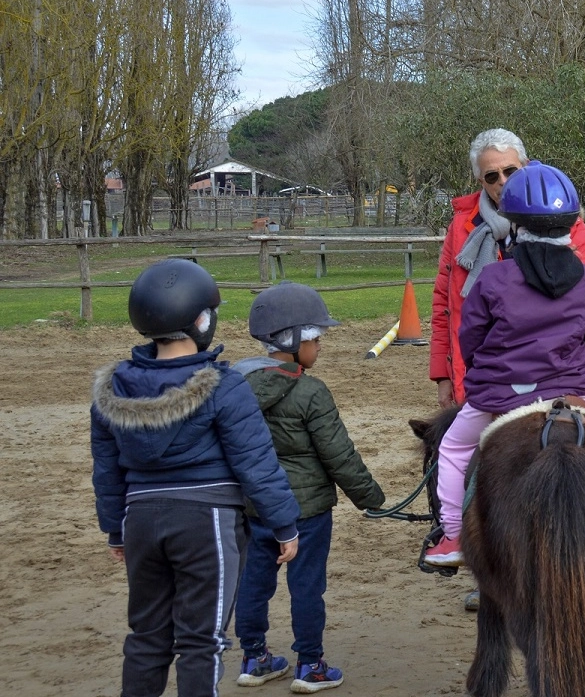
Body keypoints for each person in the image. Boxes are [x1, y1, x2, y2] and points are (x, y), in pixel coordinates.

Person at [90, 259, 301, 697]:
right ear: (202, 320)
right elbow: (256, 462)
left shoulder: (112, 391)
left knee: (146, 638)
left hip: (141, 521)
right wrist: (284, 523)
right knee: (201, 642)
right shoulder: (224, 386)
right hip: (206, 524)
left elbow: (107, 470)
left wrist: (115, 529)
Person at [425, 161, 585, 567]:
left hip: (499, 393)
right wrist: (584, 367)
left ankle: (454, 536)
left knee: (454, 448)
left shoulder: (493, 278)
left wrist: (483, 371)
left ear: (514, 224)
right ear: (569, 225)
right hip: (571, 389)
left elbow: (470, 336)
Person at [231, 282, 386, 692]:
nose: (320, 347)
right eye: (316, 339)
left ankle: (254, 657)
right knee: (307, 586)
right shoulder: (311, 391)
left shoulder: (237, 386)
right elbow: (339, 456)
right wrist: (372, 499)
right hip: (306, 511)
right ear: (295, 339)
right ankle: (311, 665)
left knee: (253, 583)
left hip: (253, 506)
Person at [431, 127, 585, 409]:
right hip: (486, 376)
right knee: (452, 450)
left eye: (510, 170)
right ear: (480, 180)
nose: (503, 181)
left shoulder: (566, 225)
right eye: (492, 176)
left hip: (553, 376)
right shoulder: (461, 229)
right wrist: (443, 374)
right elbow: (445, 304)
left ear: (526, 166)